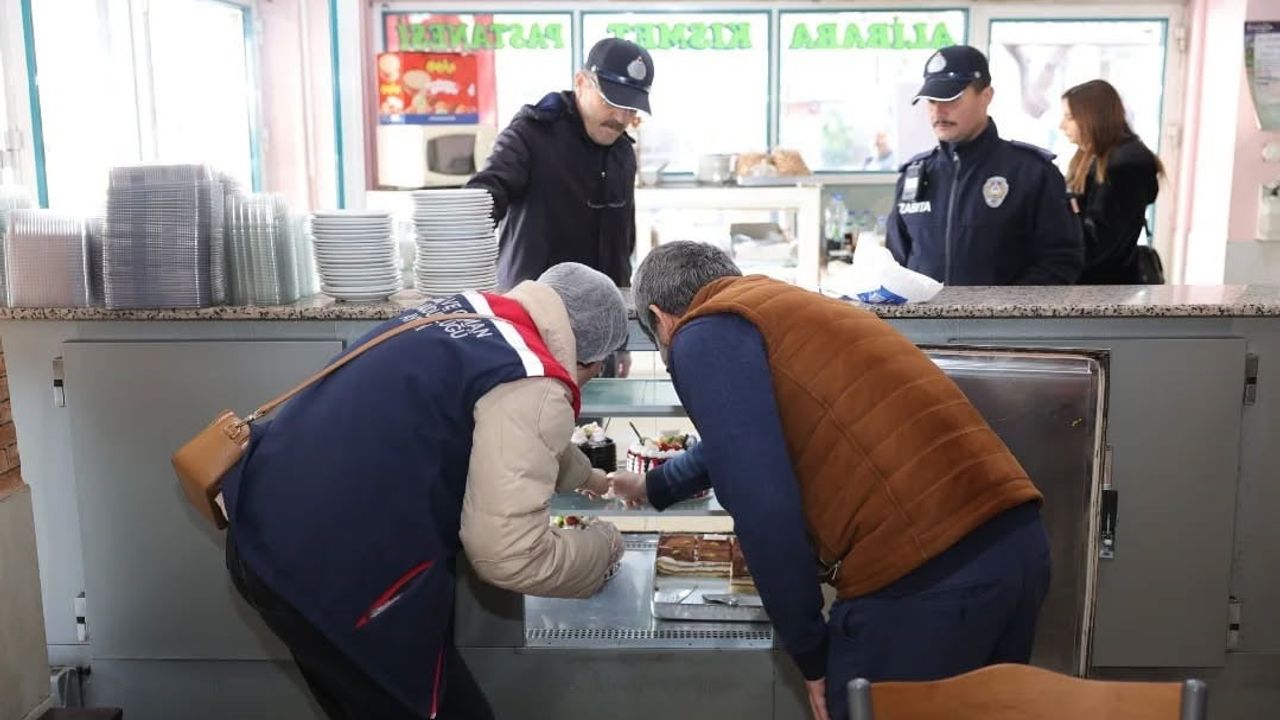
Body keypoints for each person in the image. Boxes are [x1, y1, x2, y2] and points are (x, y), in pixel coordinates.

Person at [611, 241, 1052, 720]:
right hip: (1016, 549)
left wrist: (811, 652)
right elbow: (738, 436)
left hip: (926, 585)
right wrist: (654, 487)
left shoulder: (701, 334)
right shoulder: (786, 306)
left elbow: (762, 506)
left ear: (661, 318)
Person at [220, 263, 630, 720]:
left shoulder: (471, 314)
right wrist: (605, 547)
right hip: (335, 575)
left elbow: (512, 433)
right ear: (591, 358)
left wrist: (593, 479)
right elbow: (508, 555)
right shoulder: (535, 380)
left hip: (263, 528)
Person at [465, 37, 656, 378]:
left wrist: (620, 337)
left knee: (592, 433)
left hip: (597, 333)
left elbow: (622, 241)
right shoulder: (530, 135)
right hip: (532, 323)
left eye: (631, 108)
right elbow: (484, 196)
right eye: (612, 102)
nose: (621, 117)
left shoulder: (623, 151)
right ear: (581, 82)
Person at [886, 44, 1083, 285]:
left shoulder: (1031, 172)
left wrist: (1005, 312)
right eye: (932, 101)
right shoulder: (914, 175)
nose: (939, 111)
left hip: (1005, 322)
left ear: (986, 97)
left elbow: (1061, 261)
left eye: (952, 98)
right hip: (925, 323)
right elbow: (895, 261)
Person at [1059, 79, 1164, 284]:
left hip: (1103, 289)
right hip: (1093, 285)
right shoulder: (1092, 157)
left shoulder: (1124, 165)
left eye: (1070, 117)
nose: (1062, 126)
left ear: (1093, 118)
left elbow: (1099, 242)